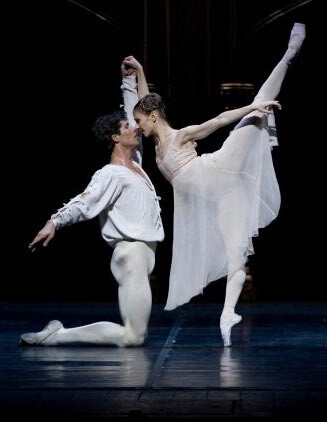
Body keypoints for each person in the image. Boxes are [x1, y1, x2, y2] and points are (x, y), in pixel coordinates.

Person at [123, 22, 306, 346]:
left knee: (257, 110)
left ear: (153, 117)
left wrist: (252, 107)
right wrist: (138, 70)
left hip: (222, 168)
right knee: (237, 255)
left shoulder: (181, 136)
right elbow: (144, 100)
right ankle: (227, 316)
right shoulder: (155, 142)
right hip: (220, 198)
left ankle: (290, 52)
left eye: (139, 121)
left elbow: (219, 121)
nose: (137, 127)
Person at [20, 61, 164, 347]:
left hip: (144, 253)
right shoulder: (110, 173)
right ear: (115, 137)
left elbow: (132, 114)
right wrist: (54, 221)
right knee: (133, 337)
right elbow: (83, 202)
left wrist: (128, 82)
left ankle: (56, 336)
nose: (136, 128)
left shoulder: (135, 164)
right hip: (131, 253)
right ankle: (58, 336)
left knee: (135, 336)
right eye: (128, 127)